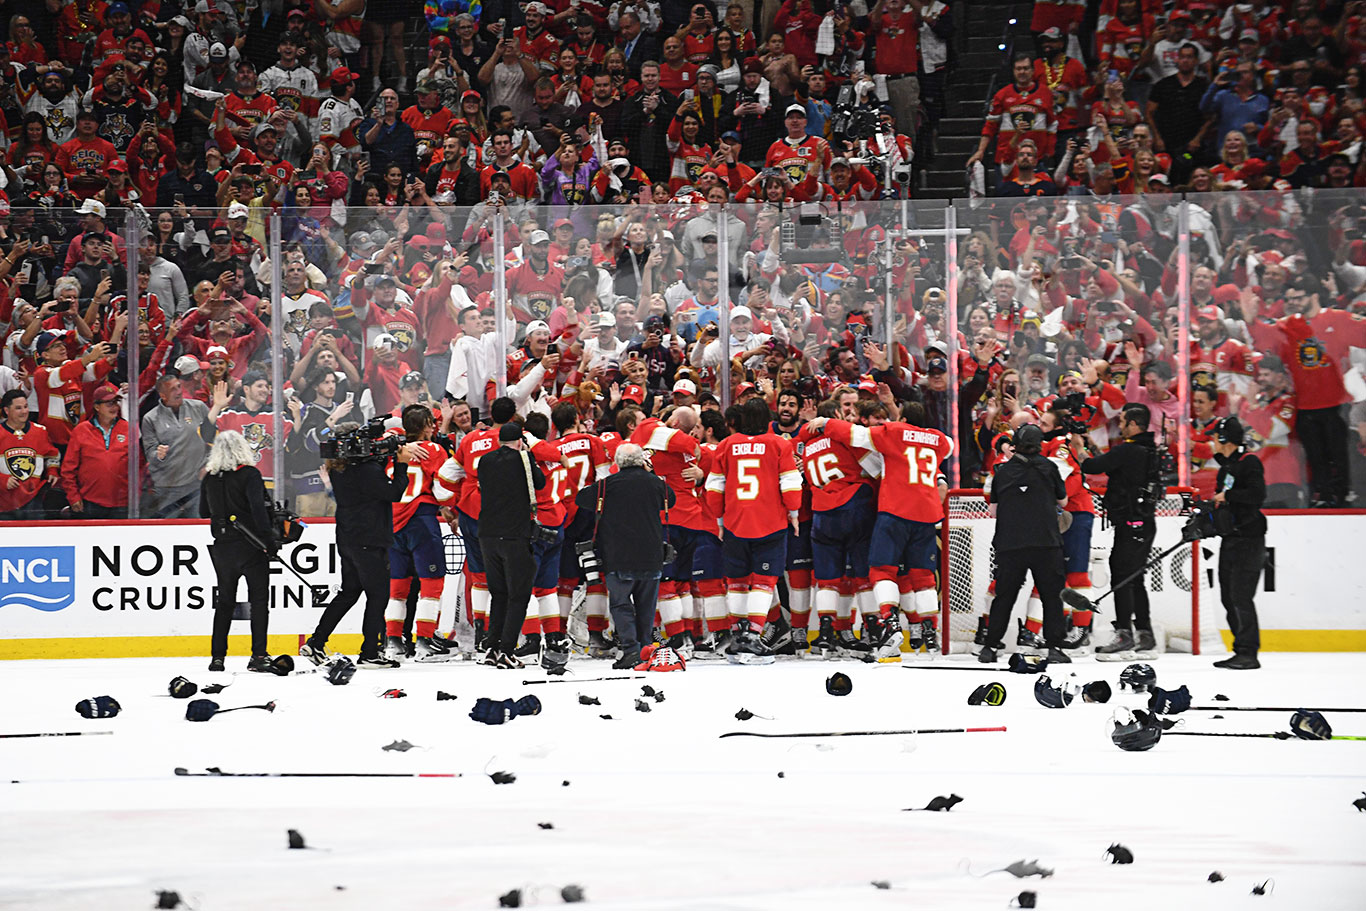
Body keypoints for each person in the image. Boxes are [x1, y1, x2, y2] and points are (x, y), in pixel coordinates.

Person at [300, 422, 413, 670]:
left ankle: (316, 642)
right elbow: (394, 493)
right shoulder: (367, 470)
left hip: (349, 539)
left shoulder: (339, 469)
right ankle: (370, 652)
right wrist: (402, 464)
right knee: (378, 595)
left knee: (349, 592)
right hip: (369, 540)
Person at [576, 442, 675, 669]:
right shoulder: (656, 484)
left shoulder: (607, 485)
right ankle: (645, 648)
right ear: (642, 461)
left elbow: (582, 499)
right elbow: (671, 499)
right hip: (651, 555)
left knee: (621, 605)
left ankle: (630, 650)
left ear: (618, 462)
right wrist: (651, 473)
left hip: (617, 556)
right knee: (646, 606)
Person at [977, 424, 1069, 665]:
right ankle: (1055, 647)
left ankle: (990, 646)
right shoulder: (1049, 467)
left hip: (1011, 543)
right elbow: (1063, 500)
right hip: (1046, 542)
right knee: (1052, 596)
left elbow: (993, 510)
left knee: (1004, 596)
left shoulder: (1002, 472)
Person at [1074, 403, 1160, 659]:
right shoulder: (1147, 449)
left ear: (1133, 424)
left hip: (1130, 523)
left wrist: (1080, 448)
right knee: (1135, 578)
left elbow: (1092, 467)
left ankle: (1124, 633)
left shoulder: (1128, 450)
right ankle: (1144, 633)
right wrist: (1093, 446)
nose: (1119, 425)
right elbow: (1113, 464)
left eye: (1122, 421)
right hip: (1144, 523)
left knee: (1122, 576)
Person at [199, 429, 276, 673]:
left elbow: (203, 511)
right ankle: (259, 655)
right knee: (259, 601)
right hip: (251, 545)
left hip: (223, 547)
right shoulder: (250, 474)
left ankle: (217, 657)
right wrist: (269, 542)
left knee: (224, 603)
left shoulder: (210, 478)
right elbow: (259, 510)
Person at [476, 421, 546, 669]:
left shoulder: (484, 461)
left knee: (499, 594)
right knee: (519, 595)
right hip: (514, 535)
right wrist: (528, 455)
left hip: (487, 535)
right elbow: (540, 483)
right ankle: (507, 650)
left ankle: (492, 647)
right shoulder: (523, 459)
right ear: (519, 441)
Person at [1209, 417, 1266, 671]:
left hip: (1248, 539)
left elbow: (1257, 495)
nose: (1212, 442)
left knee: (1241, 596)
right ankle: (1239, 648)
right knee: (1228, 596)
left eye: (1215, 437)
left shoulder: (1249, 462)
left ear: (1224, 439)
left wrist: (1228, 495)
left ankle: (1248, 652)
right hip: (1230, 538)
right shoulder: (1227, 467)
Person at [60, 383, 128, 518]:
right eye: (109, 403)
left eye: (116, 403)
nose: (114, 407)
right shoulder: (81, 430)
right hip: (90, 501)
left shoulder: (128, 428)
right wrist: (73, 496)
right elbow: (68, 469)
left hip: (122, 502)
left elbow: (139, 464)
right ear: (97, 407)